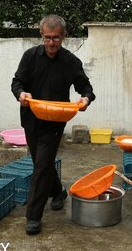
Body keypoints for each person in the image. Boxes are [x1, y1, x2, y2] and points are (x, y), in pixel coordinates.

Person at [11, 15, 95, 235]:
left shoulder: (70, 62)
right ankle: (58, 192)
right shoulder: (29, 57)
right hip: (31, 119)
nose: (51, 43)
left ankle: (33, 217)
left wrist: (85, 100)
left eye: (55, 38)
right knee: (43, 163)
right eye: (47, 37)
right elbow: (17, 82)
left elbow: (86, 89)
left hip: (55, 122)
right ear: (41, 35)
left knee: (40, 167)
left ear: (63, 36)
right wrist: (21, 93)